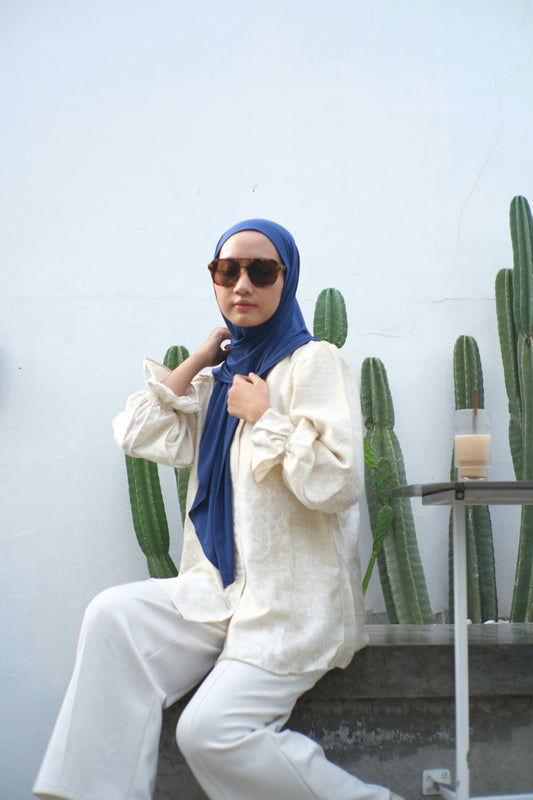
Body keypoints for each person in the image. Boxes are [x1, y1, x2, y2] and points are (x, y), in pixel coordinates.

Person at [34, 219, 405, 800]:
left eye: (262, 271)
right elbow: (136, 431)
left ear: (288, 279)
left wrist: (267, 416)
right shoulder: (221, 379)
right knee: (113, 615)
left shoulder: (314, 362)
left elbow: (337, 483)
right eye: (226, 270)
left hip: (289, 601)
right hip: (216, 590)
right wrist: (200, 358)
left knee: (211, 733)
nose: (242, 285)